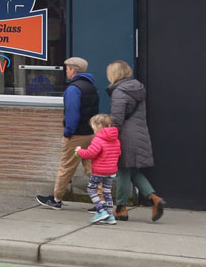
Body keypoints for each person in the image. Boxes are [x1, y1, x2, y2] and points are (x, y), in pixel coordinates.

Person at [36, 56, 98, 209]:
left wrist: (68, 132)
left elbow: (72, 114)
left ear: (73, 70)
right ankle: (101, 201)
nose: (66, 73)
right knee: (92, 168)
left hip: (76, 135)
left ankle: (56, 199)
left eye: (67, 70)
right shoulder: (91, 87)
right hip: (90, 133)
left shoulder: (73, 89)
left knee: (67, 167)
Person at [106, 59, 165, 221]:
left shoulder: (119, 92)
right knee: (133, 171)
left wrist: (108, 137)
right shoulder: (137, 88)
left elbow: (117, 120)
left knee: (123, 170)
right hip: (139, 134)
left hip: (125, 136)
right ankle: (154, 198)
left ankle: (121, 208)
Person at [74, 113, 121, 225]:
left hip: (99, 171)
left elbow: (91, 154)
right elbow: (118, 153)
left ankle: (100, 210)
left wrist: (79, 152)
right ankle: (110, 216)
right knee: (107, 192)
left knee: (91, 189)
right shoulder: (116, 140)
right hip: (111, 171)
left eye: (93, 127)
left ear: (98, 126)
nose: (93, 130)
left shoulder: (98, 140)